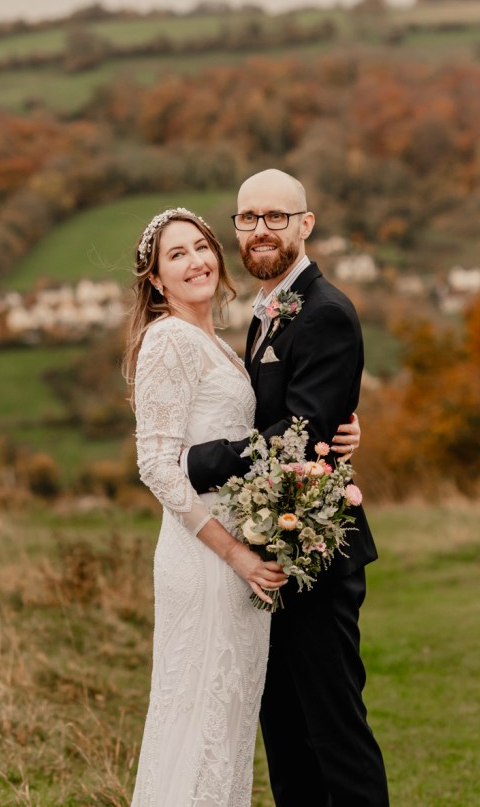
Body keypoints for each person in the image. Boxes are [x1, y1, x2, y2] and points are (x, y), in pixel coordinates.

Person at [123, 207, 357, 807]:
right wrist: (234, 555)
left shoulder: (223, 340)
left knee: (227, 724)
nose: (196, 261)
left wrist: (336, 432)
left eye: (201, 247)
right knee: (198, 713)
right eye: (176, 255)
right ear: (155, 279)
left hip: (243, 560)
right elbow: (156, 467)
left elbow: (280, 422)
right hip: (208, 559)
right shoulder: (168, 340)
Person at [184, 170, 390, 807]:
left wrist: (196, 461)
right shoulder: (268, 309)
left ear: (306, 225)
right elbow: (299, 418)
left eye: (276, 217)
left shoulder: (325, 311)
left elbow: (294, 438)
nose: (261, 230)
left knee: (334, 735)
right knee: (288, 739)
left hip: (316, 556)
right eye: (248, 219)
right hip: (272, 550)